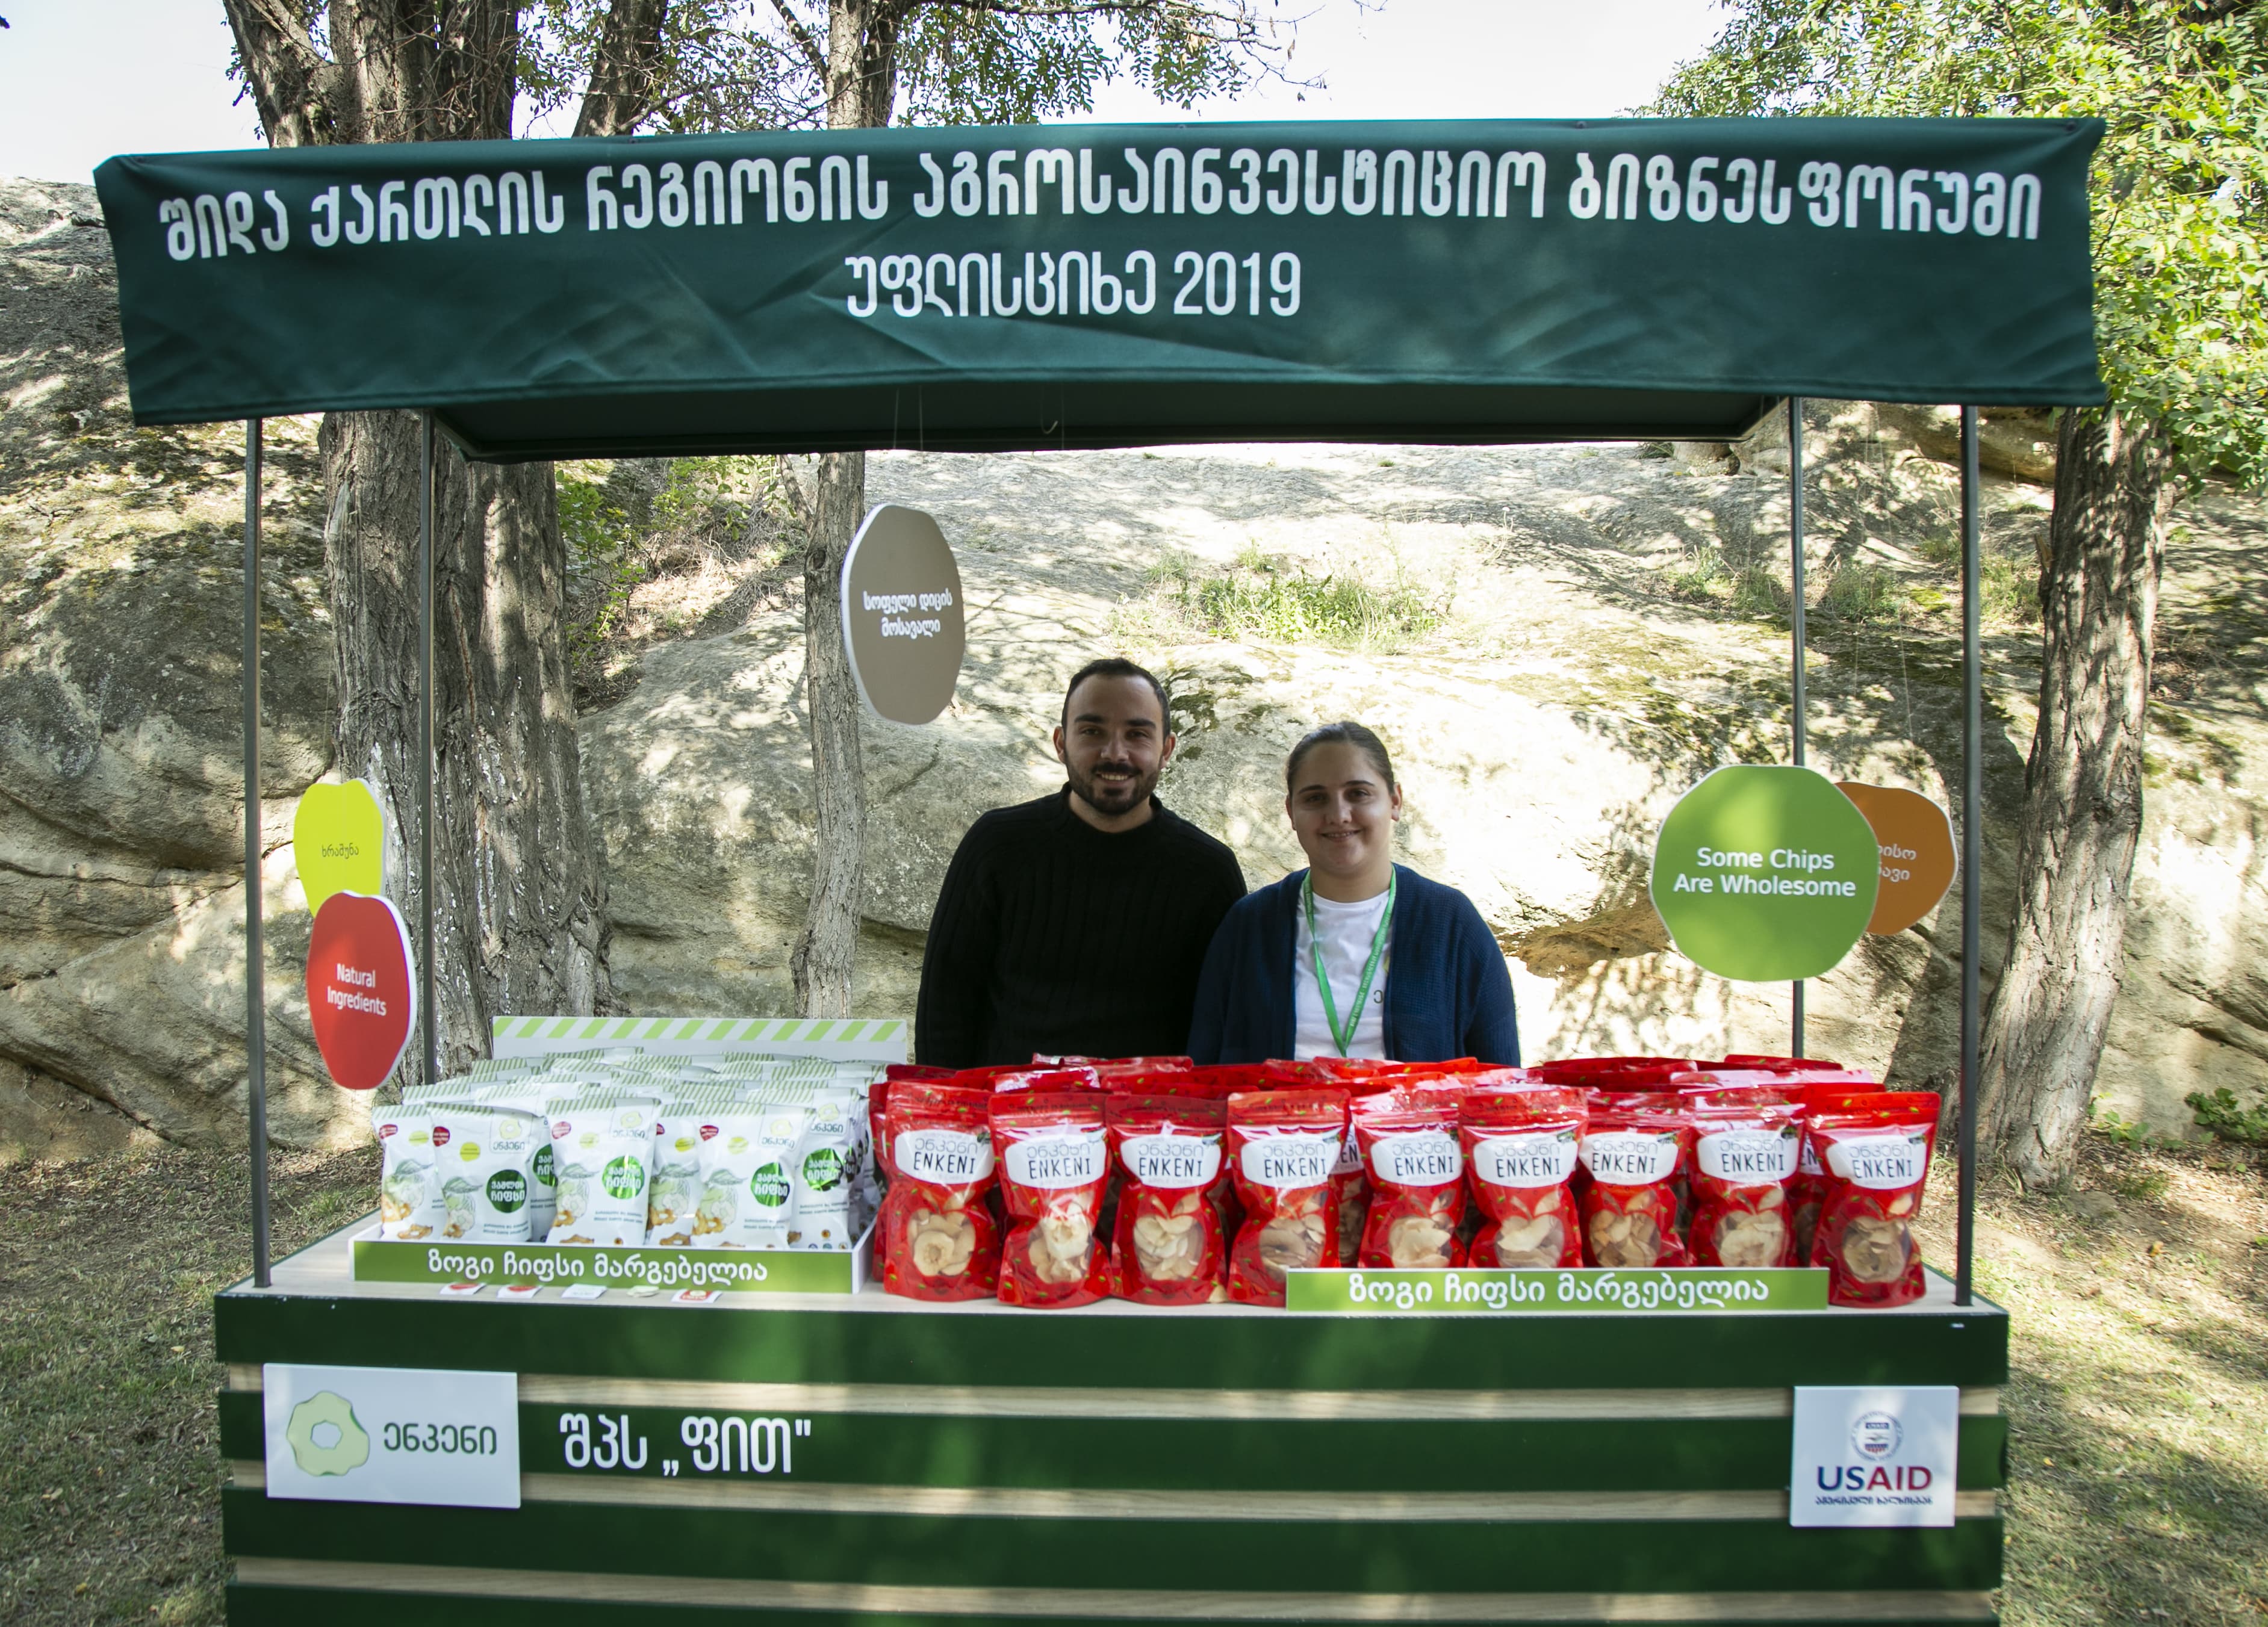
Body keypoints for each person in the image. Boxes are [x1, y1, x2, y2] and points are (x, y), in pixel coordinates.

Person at [915, 659, 1247, 1067]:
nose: (1115, 753)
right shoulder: (997, 846)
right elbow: (945, 1004)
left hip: (1151, 1105)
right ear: (1061, 743)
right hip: (1008, 1102)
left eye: (1137, 734)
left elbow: (1227, 1024)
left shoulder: (1208, 872)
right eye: (1092, 731)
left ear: (1166, 750)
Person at [1188, 722, 1518, 1065]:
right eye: (1315, 798)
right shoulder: (1248, 926)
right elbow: (1203, 1070)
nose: (1339, 815)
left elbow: (1503, 1077)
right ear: (1291, 812)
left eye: (1358, 793)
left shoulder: (1452, 924)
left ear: (1395, 801)